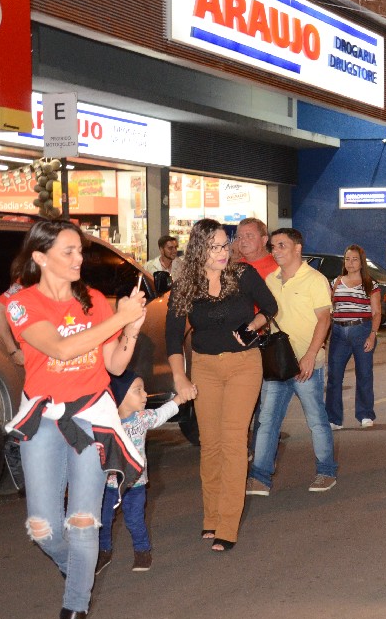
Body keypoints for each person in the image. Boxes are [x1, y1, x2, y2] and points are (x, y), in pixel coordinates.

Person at [3, 218, 148, 619]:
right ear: (40, 257)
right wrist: (119, 317)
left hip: (91, 415)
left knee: (84, 521)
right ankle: (78, 570)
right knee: (43, 526)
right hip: (43, 416)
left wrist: (132, 326)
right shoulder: (21, 305)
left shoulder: (96, 301)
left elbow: (116, 366)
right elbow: (61, 349)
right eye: (68, 251)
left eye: (80, 251)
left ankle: (72, 617)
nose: (78, 259)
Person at [167, 218, 276, 550]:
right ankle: (211, 517)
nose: (223, 252)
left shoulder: (242, 275)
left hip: (244, 366)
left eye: (225, 245)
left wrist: (251, 326)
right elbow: (172, 339)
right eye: (215, 246)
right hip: (204, 368)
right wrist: (180, 376)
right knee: (210, 445)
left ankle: (227, 524)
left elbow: (270, 307)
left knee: (232, 441)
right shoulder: (186, 285)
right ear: (200, 249)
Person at [247, 228, 337, 496]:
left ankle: (326, 471)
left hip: (307, 364)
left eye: (282, 245)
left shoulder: (315, 280)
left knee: (317, 421)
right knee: (267, 420)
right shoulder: (271, 280)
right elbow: (266, 313)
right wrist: (248, 329)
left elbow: (324, 319)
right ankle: (260, 477)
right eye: (273, 246)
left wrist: (310, 355)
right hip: (278, 363)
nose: (275, 251)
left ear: (297, 248)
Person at [97, 370, 189, 574]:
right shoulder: (106, 423)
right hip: (108, 485)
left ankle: (142, 550)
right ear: (119, 397)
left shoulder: (142, 418)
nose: (145, 394)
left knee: (134, 519)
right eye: (138, 390)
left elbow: (162, 414)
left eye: (144, 389)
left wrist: (179, 399)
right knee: (103, 520)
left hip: (135, 483)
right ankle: (103, 551)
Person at [326, 245, 381, 429]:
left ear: (361, 262)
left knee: (364, 374)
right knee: (334, 377)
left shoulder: (370, 284)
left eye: (354, 259)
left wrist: (372, 335)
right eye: (347, 259)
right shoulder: (336, 282)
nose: (350, 263)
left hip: (362, 331)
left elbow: (377, 313)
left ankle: (365, 414)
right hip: (339, 333)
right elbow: (329, 309)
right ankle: (334, 418)